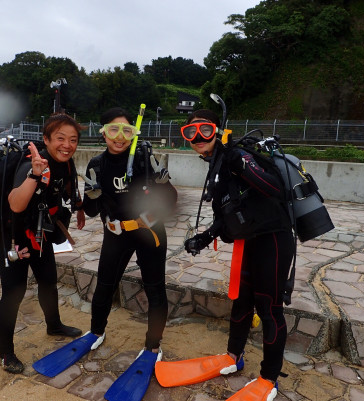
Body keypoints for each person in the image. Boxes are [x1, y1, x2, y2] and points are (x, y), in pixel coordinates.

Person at [182, 109, 295, 400]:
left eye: (205, 130)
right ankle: (234, 356)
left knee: (269, 309)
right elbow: (226, 214)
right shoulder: (217, 165)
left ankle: (269, 377)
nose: (198, 137)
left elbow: (273, 188)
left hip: (272, 240)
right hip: (249, 242)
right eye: (190, 132)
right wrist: (204, 238)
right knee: (241, 302)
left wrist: (239, 162)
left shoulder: (236, 155)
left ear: (217, 132)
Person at [81, 107, 177, 356]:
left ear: (133, 133)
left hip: (150, 232)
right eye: (113, 129)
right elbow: (91, 210)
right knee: (104, 285)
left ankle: (153, 345)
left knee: (155, 288)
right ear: (103, 133)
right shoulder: (97, 165)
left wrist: (163, 182)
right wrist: (92, 193)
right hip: (116, 233)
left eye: (127, 130)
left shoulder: (145, 160)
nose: (120, 136)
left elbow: (171, 198)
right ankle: (96, 332)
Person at [0, 113, 85, 374]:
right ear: (46, 139)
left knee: (48, 280)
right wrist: (35, 174)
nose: (67, 145)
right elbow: (15, 203)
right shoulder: (32, 164)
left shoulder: (65, 164)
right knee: (14, 293)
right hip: (14, 236)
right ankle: (5, 352)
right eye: (60, 138)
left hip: (39, 233)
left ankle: (54, 325)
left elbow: (67, 189)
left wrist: (78, 209)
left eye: (73, 139)